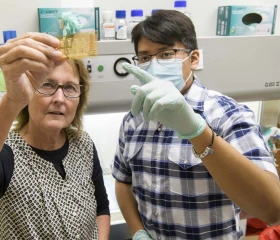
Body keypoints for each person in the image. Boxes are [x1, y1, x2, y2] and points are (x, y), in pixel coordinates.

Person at [112, 10, 280, 240]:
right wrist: (137, 231)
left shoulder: (228, 114)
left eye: (166, 54)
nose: (154, 64)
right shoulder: (134, 119)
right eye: (144, 58)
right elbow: (123, 182)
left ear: (194, 59)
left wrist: (197, 130)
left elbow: (272, 208)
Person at [0, 32, 110, 239]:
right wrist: (12, 100)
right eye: (47, 84)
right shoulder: (5, 152)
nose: (59, 98)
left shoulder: (83, 143)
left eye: (70, 87)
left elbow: (101, 206)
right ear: (29, 92)